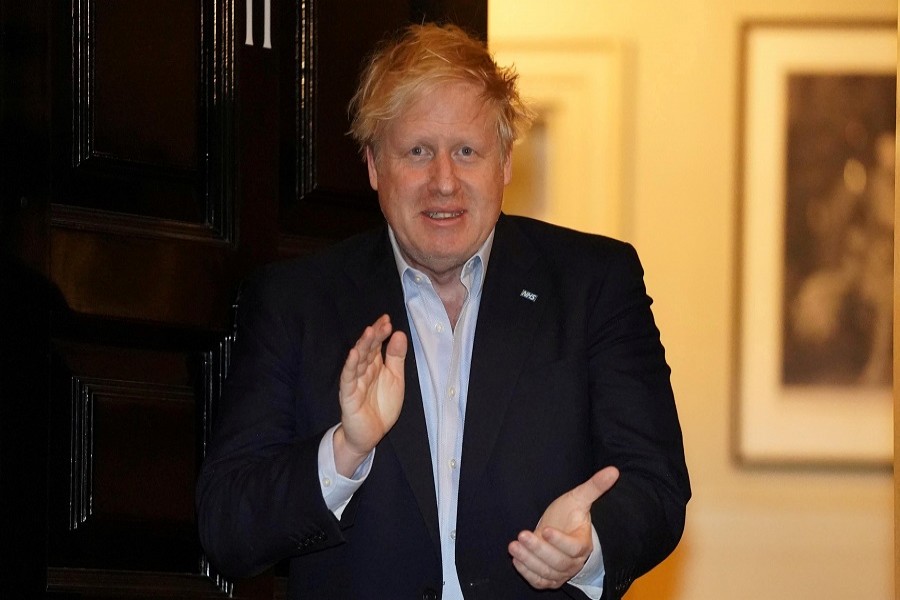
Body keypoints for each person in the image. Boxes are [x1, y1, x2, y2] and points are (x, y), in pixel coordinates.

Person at [197, 22, 690, 600]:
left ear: (505, 162)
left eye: (466, 152)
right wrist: (344, 451)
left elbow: (656, 486)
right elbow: (225, 526)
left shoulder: (594, 283)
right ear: (374, 166)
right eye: (417, 152)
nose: (444, 182)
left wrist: (589, 548)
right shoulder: (295, 302)